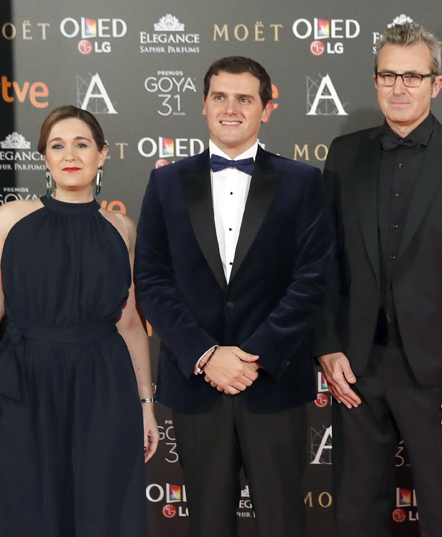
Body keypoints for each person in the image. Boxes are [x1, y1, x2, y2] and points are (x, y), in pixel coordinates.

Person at [314, 20, 442, 537]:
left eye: (413, 77)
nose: (399, 88)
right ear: (375, 81)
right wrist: (328, 346)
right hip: (356, 365)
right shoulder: (344, 153)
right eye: (388, 76)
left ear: (436, 83)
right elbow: (325, 260)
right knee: (356, 515)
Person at [134, 56, 335, 536]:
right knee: (207, 522)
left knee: (283, 520)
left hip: (273, 381)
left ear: (266, 108)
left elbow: (312, 279)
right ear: (204, 104)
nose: (231, 108)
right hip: (197, 383)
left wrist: (252, 357)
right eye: (220, 97)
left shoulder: (303, 181)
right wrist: (206, 355)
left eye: (244, 98)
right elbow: (152, 280)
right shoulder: (165, 182)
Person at [0, 106, 157, 536]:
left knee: (102, 506)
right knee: (24, 507)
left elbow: (130, 323)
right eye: (57, 146)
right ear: (44, 157)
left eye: (82, 144)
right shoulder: (11, 218)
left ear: (103, 154)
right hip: (24, 381)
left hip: (104, 384)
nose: (70, 154)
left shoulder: (123, 229)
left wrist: (146, 405)